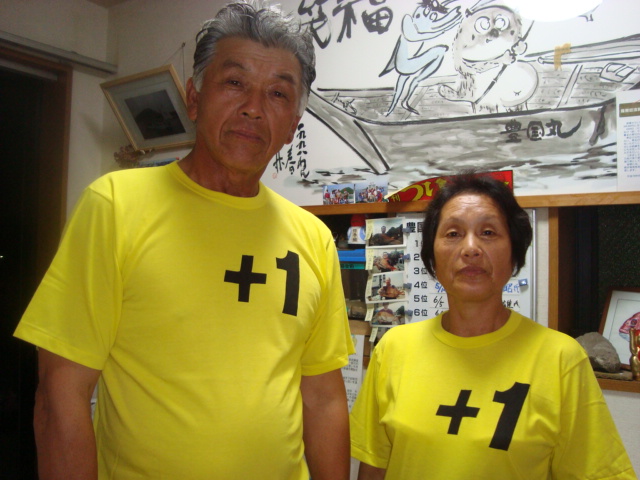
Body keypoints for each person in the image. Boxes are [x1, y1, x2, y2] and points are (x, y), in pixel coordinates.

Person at [14, 2, 354, 479]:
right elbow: (60, 393)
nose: (254, 108)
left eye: (278, 93)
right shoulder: (115, 206)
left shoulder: (313, 238)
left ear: (293, 124)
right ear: (194, 99)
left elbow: (322, 398)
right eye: (234, 83)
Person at [350, 172, 636, 479]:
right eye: (453, 233)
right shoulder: (394, 349)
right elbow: (374, 466)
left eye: (488, 232)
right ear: (431, 256)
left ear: (514, 253)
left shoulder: (561, 359)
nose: (470, 248)